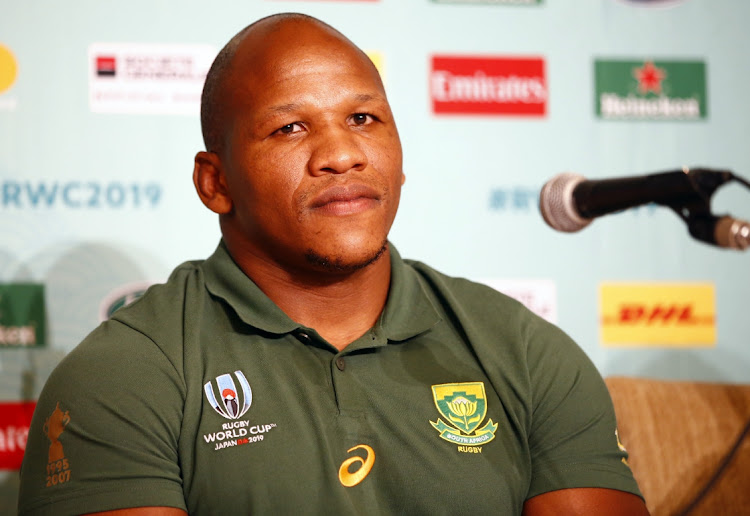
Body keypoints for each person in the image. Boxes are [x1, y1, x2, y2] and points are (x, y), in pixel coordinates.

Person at [18, 13, 650, 516]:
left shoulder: (526, 352)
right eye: (291, 128)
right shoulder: (122, 375)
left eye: (363, 118)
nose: (342, 153)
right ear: (215, 183)